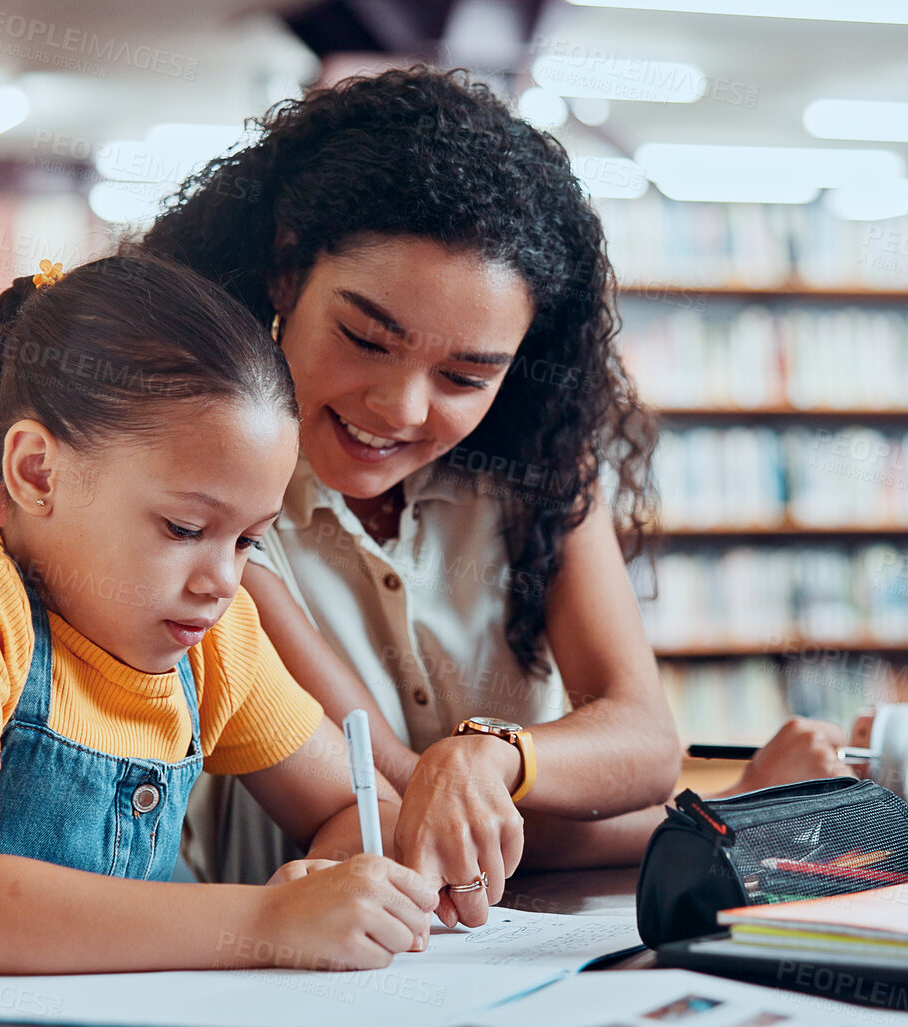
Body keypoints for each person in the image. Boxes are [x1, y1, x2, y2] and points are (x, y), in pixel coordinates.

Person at [141, 68, 861, 923]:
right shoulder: (216, 494)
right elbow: (409, 806)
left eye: (464, 374)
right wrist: (721, 811)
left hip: (483, 936)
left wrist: (492, 756)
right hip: (279, 947)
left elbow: (640, 737)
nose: (401, 408)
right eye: (367, 339)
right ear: (285, 271)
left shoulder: (540, 465)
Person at [0, 255, 437, 989]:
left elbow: (362, 807)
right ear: (38, 472)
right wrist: (268, 919)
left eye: (249, 540)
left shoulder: (215, 641)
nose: (221, 579)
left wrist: (333, 876)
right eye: (183, 526)